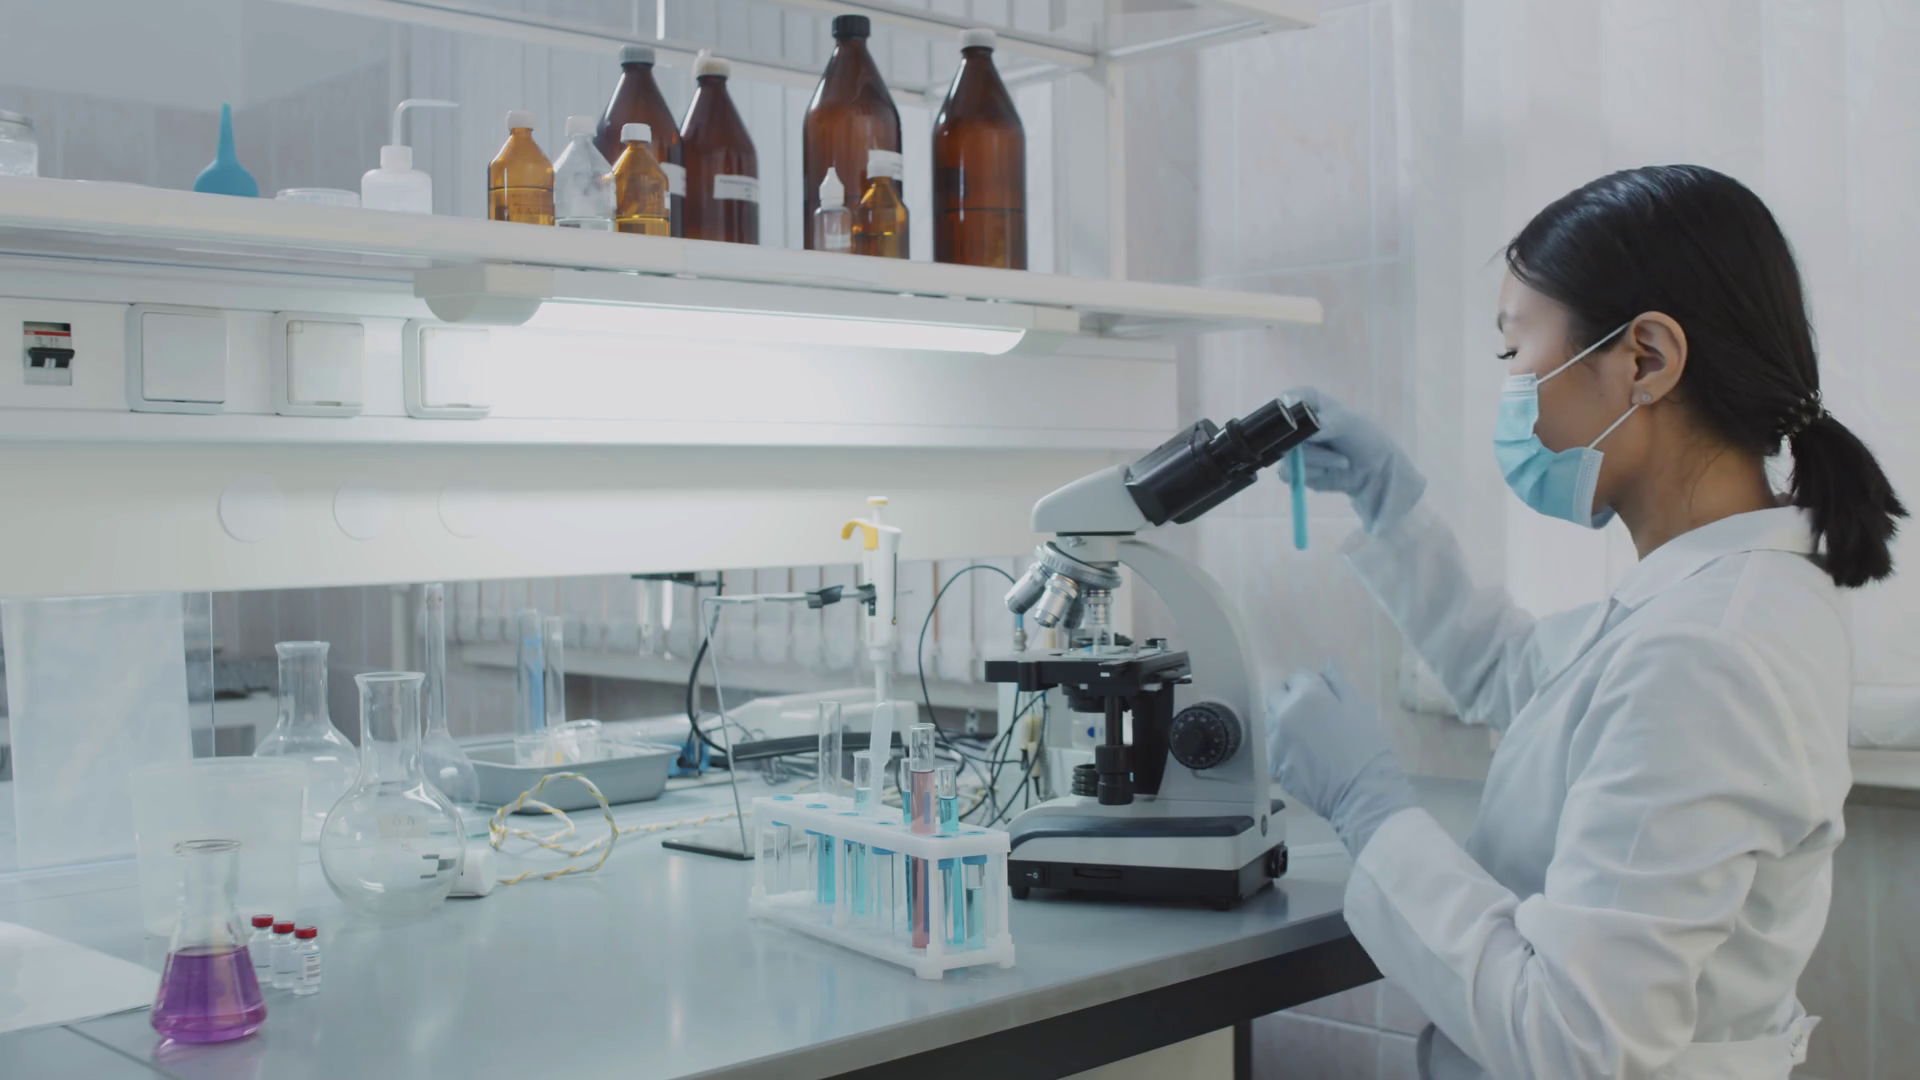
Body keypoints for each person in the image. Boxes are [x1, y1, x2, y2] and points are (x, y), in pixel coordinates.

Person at [1267, 165, 1905, 1080]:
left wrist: (1373, 813)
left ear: (1645, 359)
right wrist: (1390, 507)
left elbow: (1575, 1039)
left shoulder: (1707, 650)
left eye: (1514, 353)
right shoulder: (1713, 597)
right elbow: (1523, 679)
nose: (1510, 392)